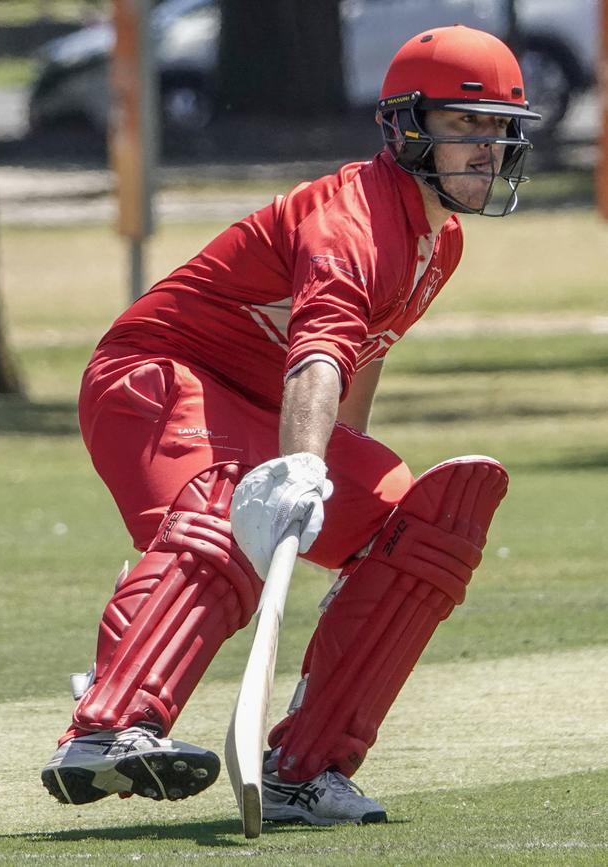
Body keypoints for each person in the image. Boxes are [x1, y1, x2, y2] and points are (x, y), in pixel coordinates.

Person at [42, 25, 539, 825]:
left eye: (497, 129)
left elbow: (360, 355)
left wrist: (338, 470)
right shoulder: (353, 221)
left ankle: (305, 768)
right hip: (154, 377)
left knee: (426, 528)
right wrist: (300, 469)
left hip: (259, 404)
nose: (488, 149)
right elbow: (317, 352)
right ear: (408, 127)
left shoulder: (439, 240)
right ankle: (107, 727)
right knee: (229, 509)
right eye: (464, 126)